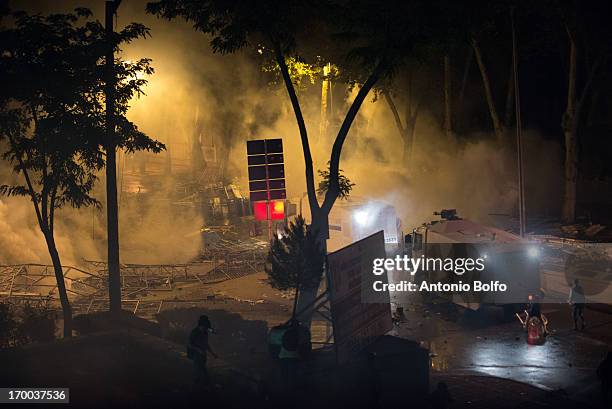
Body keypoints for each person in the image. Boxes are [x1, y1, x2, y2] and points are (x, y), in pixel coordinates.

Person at [187, 315, 218, 388]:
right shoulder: (194, 332)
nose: (205, 329)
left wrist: (213, 354)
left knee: (202, 371)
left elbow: (206, 344)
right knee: (198, 372)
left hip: (202, 355)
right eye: (204, 327)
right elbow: (189, 344)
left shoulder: (204, 332)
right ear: (201, 325)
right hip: (196, 355)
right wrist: (198, 350)